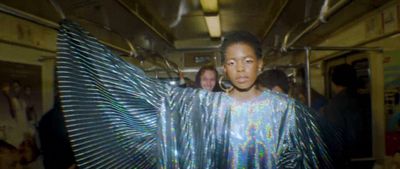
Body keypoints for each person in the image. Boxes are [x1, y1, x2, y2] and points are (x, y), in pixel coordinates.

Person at [56, 20, 333, 168]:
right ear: (224, 67)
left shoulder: (285, 109)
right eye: (233, 62)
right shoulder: (207, 106)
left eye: (248, 61)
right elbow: (158, 102)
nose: (241, 69)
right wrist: (88, 54)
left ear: (260, 64)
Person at [323, 64, 364, 168]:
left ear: (333, 81)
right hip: (363, 155)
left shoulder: (334, 105)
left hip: (344, 160)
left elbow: (334, 137)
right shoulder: (362, 99)